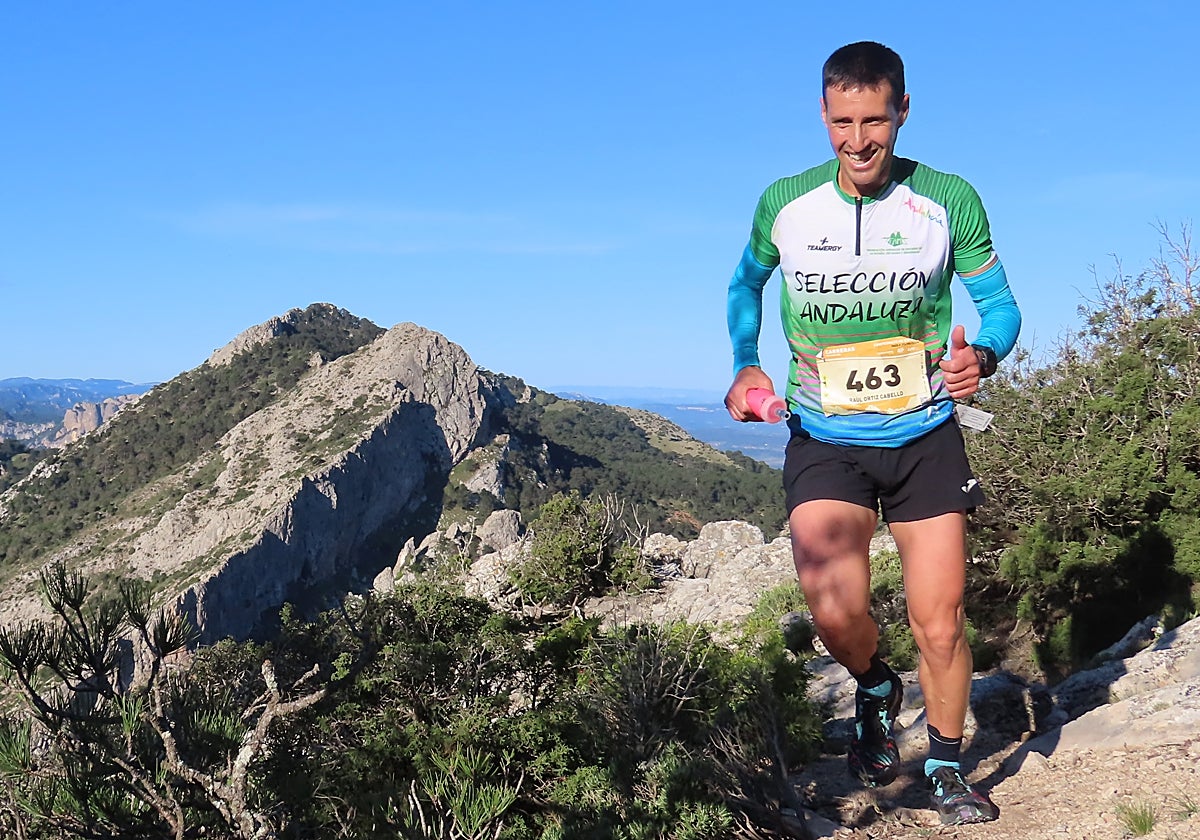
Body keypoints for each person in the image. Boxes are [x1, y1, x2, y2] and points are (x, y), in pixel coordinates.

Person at [723, 41, 1020, 826]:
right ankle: (879, 685)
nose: (858, 141)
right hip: (825, 437)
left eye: (875, 121)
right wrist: (745, 363)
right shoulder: (785, 203)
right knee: (832, 607)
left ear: (903, 112)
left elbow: (1002, 309)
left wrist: (981, 356)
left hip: (925, 436)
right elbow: (747, 283)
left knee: (940, 617)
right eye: (842, 122)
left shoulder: (948, 200)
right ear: (823, 116)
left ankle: (948, 769)